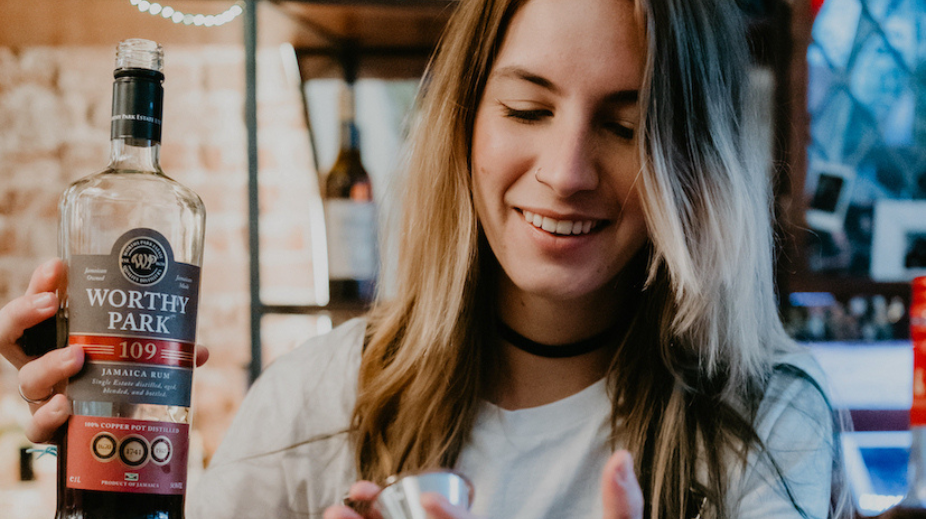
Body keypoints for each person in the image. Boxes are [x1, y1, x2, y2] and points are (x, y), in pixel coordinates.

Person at [1, 0, 853, 518]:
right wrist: (89, 478)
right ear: (465, 123)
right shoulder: (318, 399)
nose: (565, 173)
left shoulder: (768, 422)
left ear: (696, 159)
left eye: (626, 127)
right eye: (527, 109)